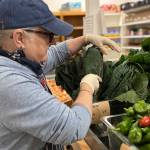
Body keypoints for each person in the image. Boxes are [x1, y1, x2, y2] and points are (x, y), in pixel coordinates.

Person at [0, 0, 120, 150]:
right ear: (20, 38)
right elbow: (74, 127)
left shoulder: (18, 59)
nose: (53, 42)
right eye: (48, 35)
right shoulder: (11, 83)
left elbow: (57, 52)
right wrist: (86, 88)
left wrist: (85, 39)